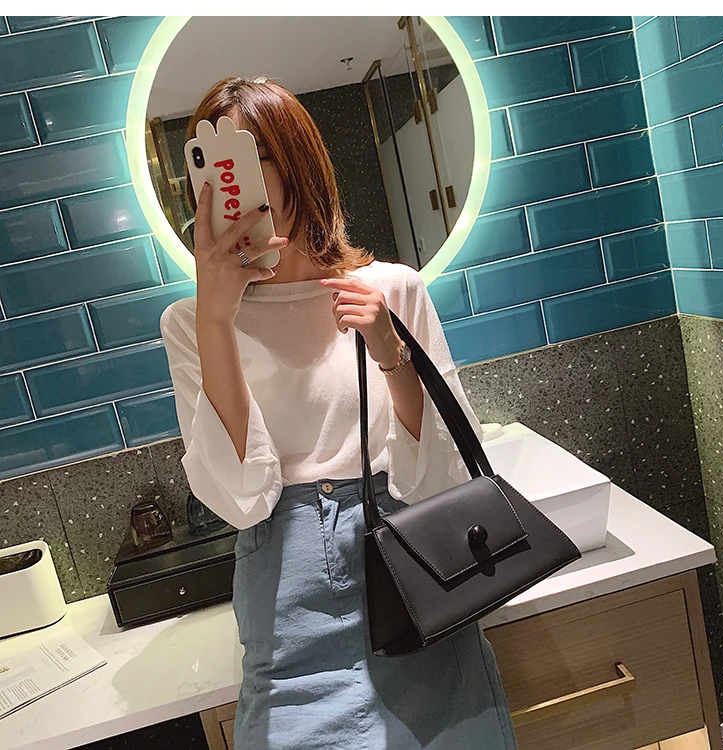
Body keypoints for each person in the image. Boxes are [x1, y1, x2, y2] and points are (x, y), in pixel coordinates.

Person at [160, 76, 519, 750]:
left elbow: (443, 473)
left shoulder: (391, 291)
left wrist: (390, 352)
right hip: (288, 604)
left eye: (252, 161)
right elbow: (239, 499)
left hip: (416, 571)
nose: (232, 190)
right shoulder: (190, 323)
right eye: (211, 169)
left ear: (299, 167)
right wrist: (216, 317)